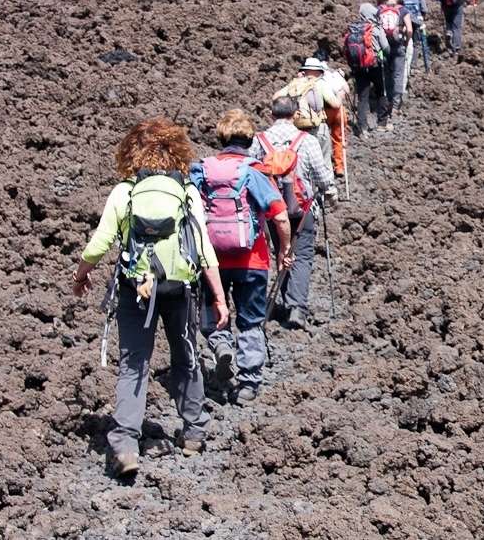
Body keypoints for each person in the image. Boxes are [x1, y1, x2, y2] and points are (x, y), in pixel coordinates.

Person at [70, 118, 230, 478]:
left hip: (136, 289)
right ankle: (193, 433)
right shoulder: (186, 191)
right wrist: (219, 298)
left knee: (134, 364)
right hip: (181, 288)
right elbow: (204, 249)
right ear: (178, 152)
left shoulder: (125, 191)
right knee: (186, 356)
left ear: (131, 153)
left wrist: (80, 275)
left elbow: (99, 244)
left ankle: (126, 443)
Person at [190, 109, 293, 404]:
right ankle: (248, 382)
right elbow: (281, 217)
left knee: (212, 314)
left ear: (221, 138)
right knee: (250, 320)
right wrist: (284, 251)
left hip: (212, 259)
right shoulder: (254, 172)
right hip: (253, 260)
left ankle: (221, 344)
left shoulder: (202, 170)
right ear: (249, 139)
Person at [249, 96, 338, 329]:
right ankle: (296, 306)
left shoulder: (260, 141)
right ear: (295, 114)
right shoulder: (306, 140)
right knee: (304, 255)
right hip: (302, 207)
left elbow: (250, 173)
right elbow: (322, 175)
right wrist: (330, 193)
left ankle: (286, 300)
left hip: (271, 209)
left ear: (271, 115)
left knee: (281, 250)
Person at [342, 3, 389, 139]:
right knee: (381, 91)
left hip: (358, 67)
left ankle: (362, 129)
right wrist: (384, 56)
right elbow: (386, 48)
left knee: (363, 97)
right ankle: (382, 123)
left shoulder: (353, 29)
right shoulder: (375, 28)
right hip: (375, 66)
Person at [273, 60, 331, 168]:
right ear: (319, 71)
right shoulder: (320, 84)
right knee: (324, 162)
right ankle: (326, 183)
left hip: (298, 129)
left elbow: (276, 97)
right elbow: (335, 104)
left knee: (302, 164)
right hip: (318, 128)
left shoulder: (295, 84)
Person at [307, 58, 350, 178]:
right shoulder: (336, 76)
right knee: (338, 138)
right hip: (338, 111)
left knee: (321, 138)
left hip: (324, 112)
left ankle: (321, 167)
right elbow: (346, 90)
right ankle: (339, 167)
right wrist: (340, 97)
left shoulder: (318, 81)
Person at [378, 0, 414, 125]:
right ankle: (396, 106)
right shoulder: (402, 10)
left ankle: (387, 103)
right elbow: (410, 30)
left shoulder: (380, 9)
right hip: (398, 45)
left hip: (384, 46)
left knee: (387, 74)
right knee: (398, 74)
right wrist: (406, 41)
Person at [402, 0, 430, 73]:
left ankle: (403, 63)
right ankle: (414, 65)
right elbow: (424, 9)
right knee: (417, 43)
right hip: (416, 20)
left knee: (404, 41)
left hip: (404, 19)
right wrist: (422, 18)